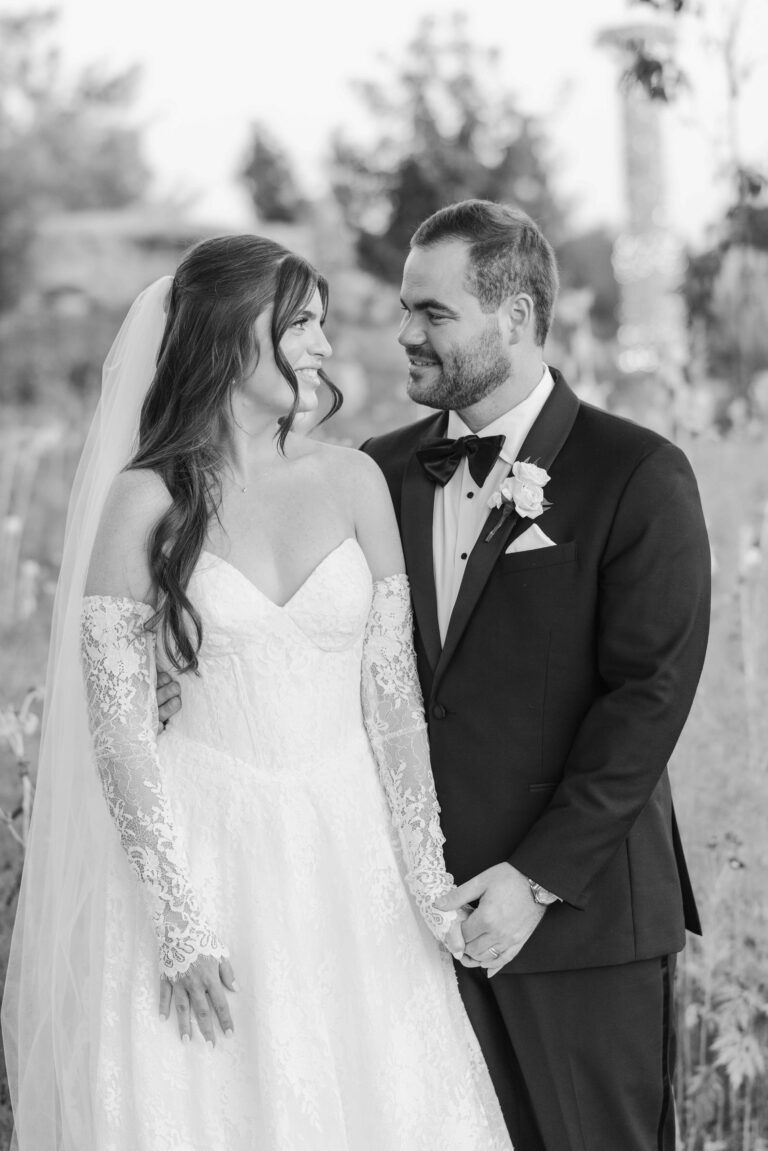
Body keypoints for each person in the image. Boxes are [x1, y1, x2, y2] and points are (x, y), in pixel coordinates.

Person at [1, 235, 513, 1150]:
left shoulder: (354, 480)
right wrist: (177, 916)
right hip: (206, 852)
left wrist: (427, 879)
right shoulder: (144, 502)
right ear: (233, 334)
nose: (325, 345)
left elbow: (393, 708)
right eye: (302, 323)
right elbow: (119, 733)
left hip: (348, 854)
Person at [358, 200, 711, 1151]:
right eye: (405, 307)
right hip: (417, 927)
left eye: (434, 312)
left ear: (514, 316)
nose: (406, 333)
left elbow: (648, 697)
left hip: (581, 925)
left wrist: (536, 878)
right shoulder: (377, 473)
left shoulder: (637, 472)